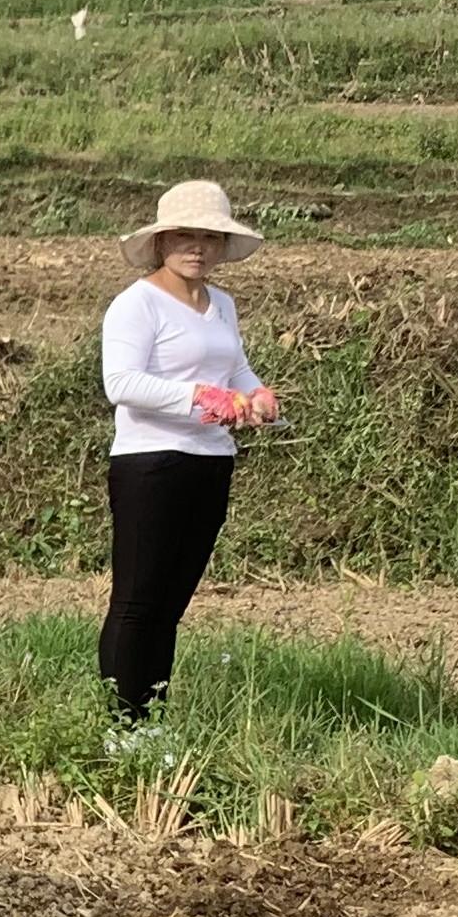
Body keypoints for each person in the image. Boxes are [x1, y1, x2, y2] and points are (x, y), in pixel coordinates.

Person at [97, 180, 281, 746]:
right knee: (137, 601)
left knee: (171, 603)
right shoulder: (136, 304)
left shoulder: (221, 305)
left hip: (210, 461)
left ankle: (152, 725)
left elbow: (236, 369)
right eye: (184, 235)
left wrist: (257, 393)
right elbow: (120, 383)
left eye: (208, 236)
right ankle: (122, 729)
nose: (196, 247)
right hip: (151, 463)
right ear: (160, 241)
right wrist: (206, 401)